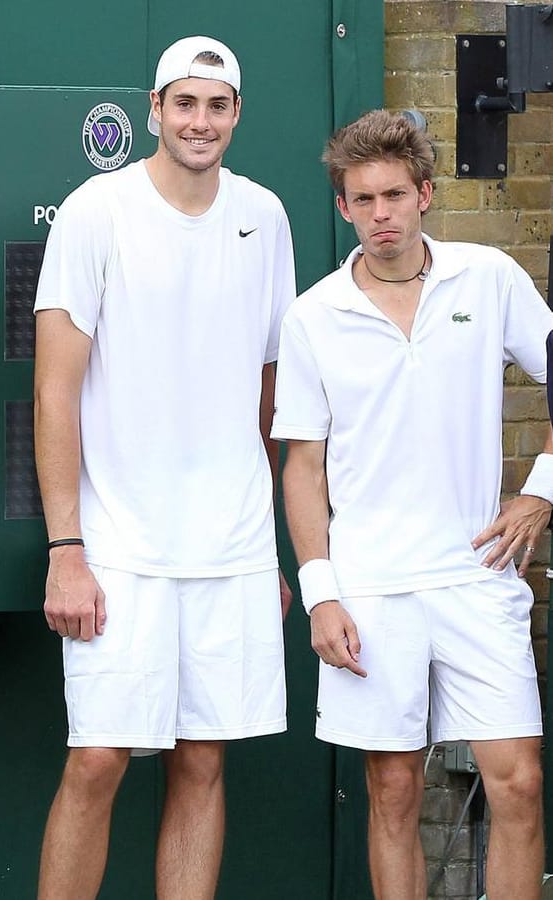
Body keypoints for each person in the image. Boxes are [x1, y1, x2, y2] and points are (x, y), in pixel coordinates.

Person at [32, 35, 296, 898]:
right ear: (154, 109)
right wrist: (65, 547)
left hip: (231, 547)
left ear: (237, 116)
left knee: (203, 762)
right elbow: (53, 392)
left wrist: (269, 550)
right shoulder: (93, 210)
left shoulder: (265, 215)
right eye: (184, 103)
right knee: (99, 759)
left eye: (217, 106)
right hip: (116, 548)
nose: (200, 121)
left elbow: (269, 390)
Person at [274, 109, 551, 900]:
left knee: (520, 783)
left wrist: (540, 493)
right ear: (342, 208)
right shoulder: (312, 316)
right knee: (392, 793)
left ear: (424, 193)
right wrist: (321, 594)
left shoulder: (487, 277)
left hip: (475, 575)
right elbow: (302, 466)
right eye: (361, 200)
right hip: (370, 589)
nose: (379, 215)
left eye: (393, 195)